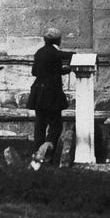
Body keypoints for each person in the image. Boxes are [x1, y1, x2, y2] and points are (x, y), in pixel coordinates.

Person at [29, 25, 69, 166]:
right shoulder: (55, 53)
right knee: (56, 124)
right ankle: (48, 148)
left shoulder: (39, 52)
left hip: (39, 93)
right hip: (51, 94)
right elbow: (68, 56)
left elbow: (35, 72)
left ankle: (36, 155)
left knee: (40, 124)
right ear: (58, 41)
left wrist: (59, 71)